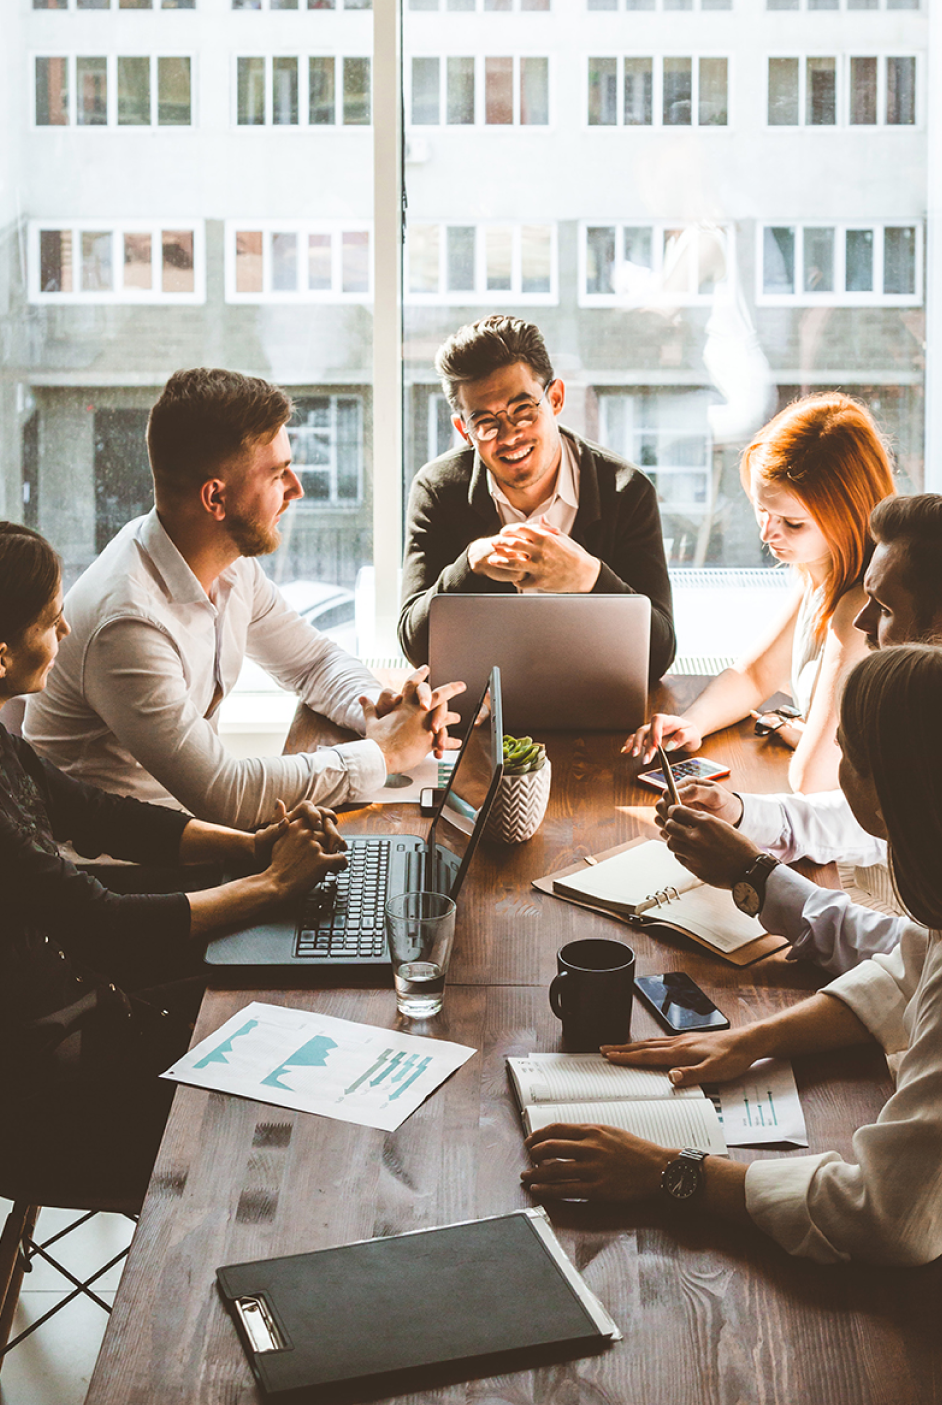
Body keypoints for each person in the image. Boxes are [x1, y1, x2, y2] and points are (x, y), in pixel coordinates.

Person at [522, 645, 942, 1404]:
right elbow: (907, 964)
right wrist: (751, 1039)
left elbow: (891, 1218)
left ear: (884, 791)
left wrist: (671, 1171)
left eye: (846, 753)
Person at [0, 521, 347, 1210]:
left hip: (76, 1009)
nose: (66, 630)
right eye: (49, 620)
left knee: (286, 1006)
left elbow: (102, 814)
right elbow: (107, 927)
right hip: (40, 1093)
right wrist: (272, 882)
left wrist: (247, 846)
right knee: (288, 1088)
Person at [25, 368, 463, 830]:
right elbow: (225, 793)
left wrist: (385, 708)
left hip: (189, 838)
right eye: (277, 474)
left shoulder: (229, 563)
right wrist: (383, 752)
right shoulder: (128, 624)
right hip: (120, 875)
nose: (297, 488)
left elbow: (312, 663)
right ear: (216, 497)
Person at [666, 493, 942, 974]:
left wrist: (755, 877)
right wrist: (745, 814)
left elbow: (926, 962)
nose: (860, 622)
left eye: (885, 608)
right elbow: (899, 808)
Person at [623, 391, 894, 793]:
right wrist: (694, 722)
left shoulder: (861, 608)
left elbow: (813, 778)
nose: (767, 534)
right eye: (762, 510)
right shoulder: (820, 576)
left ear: (847, 514)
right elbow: (755, 675)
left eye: (792, 523)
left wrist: (802, 735)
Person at [398, 314, 676, 682]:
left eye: (523, 411)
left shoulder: (626, 492)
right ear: (463, 430)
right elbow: (414, 646)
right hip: (482, 707)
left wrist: (588, 577)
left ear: (556, 398)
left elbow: (659, 656)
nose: (509, 436)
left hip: (594, 696)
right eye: (486, 422)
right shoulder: (438, 490)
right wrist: (469, 567)